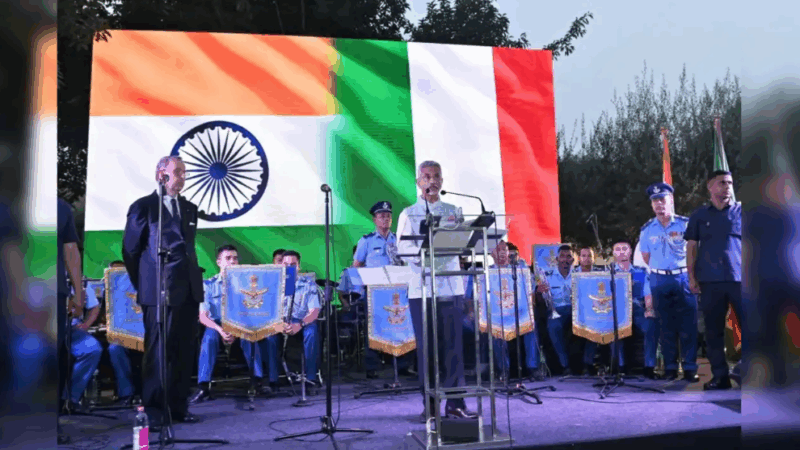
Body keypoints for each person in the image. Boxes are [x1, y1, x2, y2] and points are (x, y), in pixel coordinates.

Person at [122, 156, 204, 428]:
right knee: (159, 352)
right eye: (177, 172)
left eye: (184, 173)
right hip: (158, 289)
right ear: (161, 174)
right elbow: (131, 250)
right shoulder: (143, 206)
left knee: (184, 350)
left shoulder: (189, 208)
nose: (182, 177)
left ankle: (178, 407)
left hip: (188, 289)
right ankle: (156, 411)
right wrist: (145, 284)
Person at [397, 160, 477, 422]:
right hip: (422, 289)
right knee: (427, 350)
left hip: (450, 285)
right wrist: (426, 253)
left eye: (436, 176)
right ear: (419, 182)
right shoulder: (409, 213)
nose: (432, 181)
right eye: (427, 176)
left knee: (453, 348)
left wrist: (450, 245)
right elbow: (403, 249)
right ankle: (430, 405)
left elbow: (463, 242)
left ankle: (455, 403)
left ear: (442, 181)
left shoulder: (453, 210)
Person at [190, 245, 277, 403]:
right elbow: (203, 316)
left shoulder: (246, 286)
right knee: (209, 338)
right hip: (217, 324)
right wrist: (221, 330)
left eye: (235, 258)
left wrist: (237, 329)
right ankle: (203, 386)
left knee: (249, 336)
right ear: (219, 262)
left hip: (241, 322)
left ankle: (257, 381)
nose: (232, 261)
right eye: (228, 258)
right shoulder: (208, 285)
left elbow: (252, 313)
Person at [685, 170, 742, 390]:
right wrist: (691, 277)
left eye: (730, 183)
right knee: (713, 332)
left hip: (740, 280)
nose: (727, 187)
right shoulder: (699, 215)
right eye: (722, 183)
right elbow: (691, 247)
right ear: (710, 186)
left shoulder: (743, 212)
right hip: (709, 282)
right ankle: (720, 377)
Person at [638, 182, 699, 382]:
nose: (659, 204)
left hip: (683, 277)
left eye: (662, 200)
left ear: (671, 200)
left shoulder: (685, 224)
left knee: (688, 325)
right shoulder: (647, 230)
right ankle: (670, 368)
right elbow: (646, 257)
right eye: (655, 201)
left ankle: (690, 368)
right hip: (659, 279)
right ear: (651, 205)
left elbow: (695, 252)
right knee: (665, 326)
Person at [353, 201, 413, 378]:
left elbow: (407, 262)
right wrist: (358, 291)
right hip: (375, 292)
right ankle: (372, 366)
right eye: (381, 216)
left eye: (388, 216)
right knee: (373, 327)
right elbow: (356, 266)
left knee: (402, 325)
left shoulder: (399, 240)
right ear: (374, 219)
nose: (385, 219)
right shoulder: (366, 241)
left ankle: (403, 365)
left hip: (397, 291)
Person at [593, 238, 660, 379]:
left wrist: (649, 309)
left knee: (651, 325)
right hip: (616, 311)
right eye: (618, 249)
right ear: (613, 253)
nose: (621, 252)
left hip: (637, 309)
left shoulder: (641, 272)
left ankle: (649, 367)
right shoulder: (608, 273)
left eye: (624, 249)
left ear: (630, 252)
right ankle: (620, 367)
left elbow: (647, 293)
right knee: (612, 327)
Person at [90, 260, 138, 406]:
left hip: (136, 334)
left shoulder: (136, 291)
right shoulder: (107, 293)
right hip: (114, 334)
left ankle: (130, 393)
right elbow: (101, 317)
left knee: (116, 348)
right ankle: (123, 393)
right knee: (109, 348)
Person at [281, 250, 322, 395]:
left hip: (302, 321)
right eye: (286, 264)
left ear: (299, 266)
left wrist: (300, 324)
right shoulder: (274, 284)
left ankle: (311, 378)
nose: (289, 267)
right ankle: (272, 380)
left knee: (312, 332)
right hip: (279, 322)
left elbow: (314, 311)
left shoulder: (308, 284)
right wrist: (280, 325)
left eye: (293, 264)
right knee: (269, 337)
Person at [540, 245, 576, 375]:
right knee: (553, 327)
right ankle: (565, 365)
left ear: (573, 260)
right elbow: (541, 300)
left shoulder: (578, 275)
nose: (565, 259)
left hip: (576, 311)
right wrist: (540, 292)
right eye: (562, 256)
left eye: (568, 256)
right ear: (557, 259)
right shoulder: (547, 276)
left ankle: (587, 365)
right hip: (556, 310)